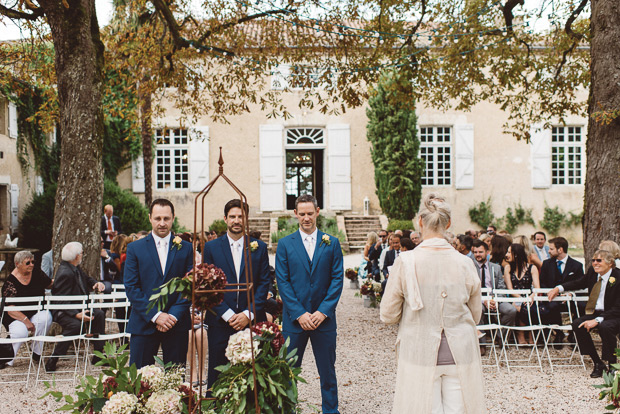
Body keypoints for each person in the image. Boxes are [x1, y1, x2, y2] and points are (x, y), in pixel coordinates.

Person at [380, 193, 484, 413]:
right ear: (448, 224)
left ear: (420, 221)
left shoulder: (406, 261)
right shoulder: (465, 263)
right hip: (460, 350)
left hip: (419, 348)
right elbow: (476, 314)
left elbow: (388, 314)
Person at [275, 194, 343, 414]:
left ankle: (331, 411)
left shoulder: (331, 243)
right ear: (295, 214)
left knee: (328, 372)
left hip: (324, 321)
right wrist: (300, 314)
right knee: (289, 372)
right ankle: (288, 409)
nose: (306, 218)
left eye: (310, 213)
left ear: (317, 212)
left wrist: (323, 312)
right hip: (295, 321)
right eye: (302, 214)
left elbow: (337, 279)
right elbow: (282, 281)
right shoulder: (285, 244)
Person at [202, 199, 271, 388]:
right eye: (232, 216)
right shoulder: (211, 248)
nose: (236, 220)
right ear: (225, 219)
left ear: (246, 219)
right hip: (220, 320)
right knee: (217, 372)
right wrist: (229, 315)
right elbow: (208, 286)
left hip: (252, 320)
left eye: (240, 216)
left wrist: (248, 314)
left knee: (252, 374)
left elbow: (264, 284)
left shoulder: (259, 247)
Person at [123, 199, 193, 368]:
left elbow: (190, 285)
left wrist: (173, 315)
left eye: (166, 218)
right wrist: (156, 315)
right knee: (140, 381)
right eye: (157, 218)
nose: (162, 223)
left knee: (175, 380)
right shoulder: (135, 249)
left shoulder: (186, 248)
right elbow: (132, 288)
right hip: (143, 323)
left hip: (176, 324)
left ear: (173, 218)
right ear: (150, 218)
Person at [45, 242, 107, 372]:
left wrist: (96, 284)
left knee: (99, 314)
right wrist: (75, 314)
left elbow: (86, 279)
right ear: (77, 256)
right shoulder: (65, 273)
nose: (83, 255)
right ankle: (53, 358)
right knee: (75, 325)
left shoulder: (74, 267)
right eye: (82, 253)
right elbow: (59, 300)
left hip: (78, 306)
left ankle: (98, 354)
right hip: (63, 310)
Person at [569, 250, 620, 378]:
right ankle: (598, 363)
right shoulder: (592, 273)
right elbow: (578, 283)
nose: (595, 263)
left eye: (599, 260)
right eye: (593, 260)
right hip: (597, 312)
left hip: (615, 314)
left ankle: (613, 365)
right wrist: (559, 288)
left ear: (610, 263)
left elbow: (618, 307)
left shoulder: (618, 277)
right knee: (577, 324)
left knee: (605, 327)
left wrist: (598, 320)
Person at [1, 251, 53, 366]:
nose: (31, 265)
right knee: (20, 332)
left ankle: (36, 351)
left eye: (33, 262)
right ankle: (7, 358)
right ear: (17, 264)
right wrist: (26, 321)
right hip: (15, 316)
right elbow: (11, 309)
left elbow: (49, 284)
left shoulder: (37, 273)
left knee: (46, 318)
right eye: (27, 263)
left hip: (35, 311)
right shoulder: (10, 283)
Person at [471, 239, 516, 332]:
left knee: (511, 310)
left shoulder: (496, 267)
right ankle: (482, 342)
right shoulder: (470, 268)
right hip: (478, 299)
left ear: (487, 252)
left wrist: (494, 300)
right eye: (475, 252)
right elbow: (470, 289)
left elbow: (501, 287)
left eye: (480, 252)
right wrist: (484, 301)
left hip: (495, 298)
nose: (477, 254)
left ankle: (500, 337)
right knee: (478, 310)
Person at [503, 244, 540, 344]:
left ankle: (531, 334)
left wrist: (531, 297)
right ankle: (521, 334)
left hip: (530, 297)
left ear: (516, 254)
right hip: (515, 297)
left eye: (509, 252)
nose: (507, 254)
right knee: (521, 306)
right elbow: (510, 289)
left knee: (530, 307)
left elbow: (537, 288)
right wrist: (522, 299)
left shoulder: (532, 268)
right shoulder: (508, 268)